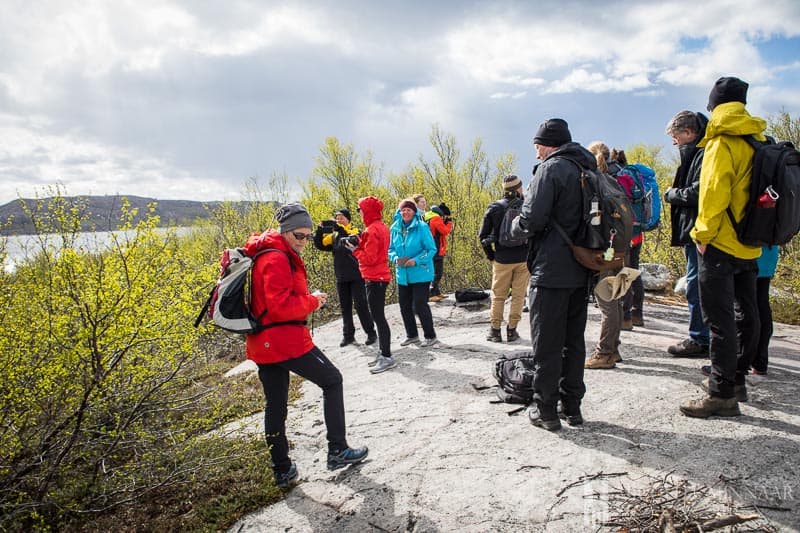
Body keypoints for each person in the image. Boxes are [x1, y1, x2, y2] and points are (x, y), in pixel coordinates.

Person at [246, 203, 368, 488]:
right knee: (332, 380)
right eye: (299, 235)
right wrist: (313, 301)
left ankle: (282, 469)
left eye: (307, 236)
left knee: (275, 405)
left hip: (264, 343)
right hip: (283, 340)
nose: (304, 241)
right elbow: (279, 307)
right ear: (286, 232)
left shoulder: (268, 252)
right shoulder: (276, 258)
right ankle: (337, 450)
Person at [680, 76, 765, 418]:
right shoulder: (755, 138)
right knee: (748, 313)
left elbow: (713, 194)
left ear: (714, 105)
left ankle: (721, 393)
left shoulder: (719, 142)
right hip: (751, 242)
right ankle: (738, 378)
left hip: (720, 244)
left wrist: (701, 234)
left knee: (719, 321)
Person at [515, 118, 592, 431]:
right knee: (574, 340)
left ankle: (546, 409)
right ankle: (572, 407)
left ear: (549, 144)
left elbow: (532, 217)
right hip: (583, 265)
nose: (536, 154)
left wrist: (515, 225)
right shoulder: (587, 168)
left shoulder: (552, 168)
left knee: (546, 342)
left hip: (552, 269)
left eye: (538, 147)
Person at [663, 110, 711, 357]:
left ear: (689, 133)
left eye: (676, 136)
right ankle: (703, 336)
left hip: (700, 232)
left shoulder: (702, 156)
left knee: (696, 284)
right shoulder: (699, 154)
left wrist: (672, 194)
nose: (674, 142)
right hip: (698, 231)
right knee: (698, 284)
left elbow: (697, 192)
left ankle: (700, 338)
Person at [583, 142, 625, 369]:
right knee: (615, 301)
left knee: (606, 303)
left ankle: (605, 353)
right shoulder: (613, 181)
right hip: (619, 248)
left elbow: (593, 219)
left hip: (603, 250)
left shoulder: (594, 182)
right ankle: (613, 349)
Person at [313, 208, 377, 347]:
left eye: (341, 217)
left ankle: (371, 333)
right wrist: (319, 230)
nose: (339, 220)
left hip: (356, 275)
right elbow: (320, 244)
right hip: (341, 276)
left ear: (348, 219)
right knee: (345, 307)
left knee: (361, 305)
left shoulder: (356, 231)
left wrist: (338, 227)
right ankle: (348, 336)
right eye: (337, 218)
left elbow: (353, 240)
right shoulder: (335, 236)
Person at [478, 175, 531, 342]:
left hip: (502, 259)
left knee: (498, 295)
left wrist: (492, 256)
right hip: (523, 258)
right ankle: (512, 330)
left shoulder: (494, 208)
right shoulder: (526, 207)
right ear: (518, 189)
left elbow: (483, 236)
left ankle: (494, 331)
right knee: (518, 296)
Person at [388, 198, 439, 360]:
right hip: (402, 274)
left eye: (409, 209)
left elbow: (431, 249)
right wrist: (395, 258)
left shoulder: (422, 227)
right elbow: (390, 250)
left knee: (419, 304)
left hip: (421, 272)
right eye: (403, 210)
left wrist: (415, 260)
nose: (405, 212)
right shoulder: (394, 228)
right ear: (399, 211)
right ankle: (412, 335)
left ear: (414, 211)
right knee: (404, 306)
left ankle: (430, 336)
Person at [348, 196, 393, 369]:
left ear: (367, 211)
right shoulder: (380, 227)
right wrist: (359, 242)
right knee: (378, 317)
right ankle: (383, 352)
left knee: (378, 318)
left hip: (375, 277)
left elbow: (370, 258)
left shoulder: (372, 230)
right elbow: (375, 250)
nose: (359, 213)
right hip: (380, 276)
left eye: (360, 210)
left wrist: (354, 250)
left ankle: (387, 356)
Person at [611, 148, 646, 330]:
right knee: (634, 270)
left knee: (623, 271)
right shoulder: (635, 176)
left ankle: (625, 318)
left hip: (625, 231)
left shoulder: (619, 177)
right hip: (638, 230)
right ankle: (637, 314)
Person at [751, 245, 779, 375]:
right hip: (769, 251)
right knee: (762, 305)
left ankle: (736, 362)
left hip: (748, 253)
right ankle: (760, 362)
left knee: (743, 309)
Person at [426, 202, 454, 302]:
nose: (445, 218)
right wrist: (449, 223)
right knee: (438, 272)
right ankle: (431, 293)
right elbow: (445, 231)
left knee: (434, 270)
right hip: (436, 248)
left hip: (431, 247)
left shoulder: (429, 217)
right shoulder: (436, 219)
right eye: (445, 216)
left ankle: (436, 292)